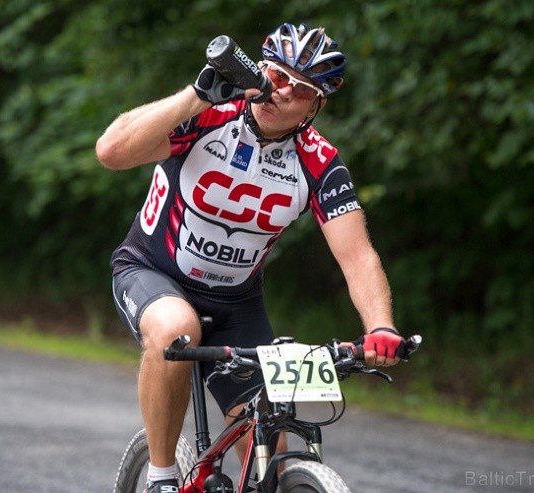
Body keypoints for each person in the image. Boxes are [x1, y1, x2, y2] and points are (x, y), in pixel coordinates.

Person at [96, 22, 406, 493]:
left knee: (270, 462)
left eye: (300, 90)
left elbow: (358, 256)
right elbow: (111, 152)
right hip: (152, 270)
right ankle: (160, 477)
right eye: (277, 76)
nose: (282, 92)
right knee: (175, 329)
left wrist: (380, 327)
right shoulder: (208, 115)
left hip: (236, 303)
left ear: (316, 104)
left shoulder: (319, 162)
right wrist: (196, 96)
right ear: (258, 70)